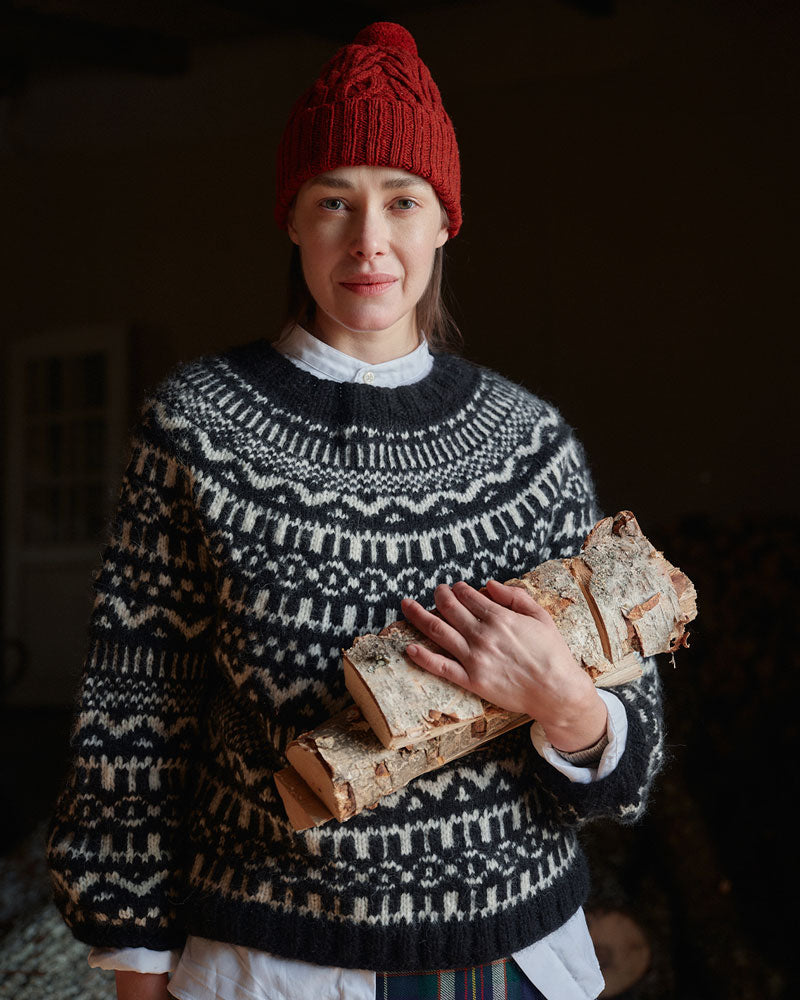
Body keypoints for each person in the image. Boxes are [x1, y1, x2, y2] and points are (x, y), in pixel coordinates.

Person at [46, 22, 664, 1000]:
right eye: (333, 200)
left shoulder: (529, 444)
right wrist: (135, 969)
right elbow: (136, 725)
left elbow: (627, 770)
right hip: (270, 964)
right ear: (291, 220)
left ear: (444, 222)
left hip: (512, 958)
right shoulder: (197, 428)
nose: (369, 239)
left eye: (401, 200)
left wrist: (566, 702)